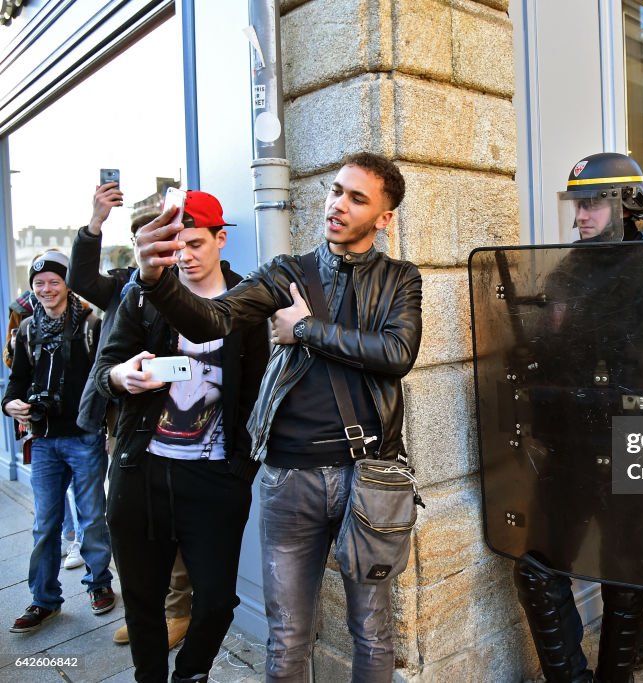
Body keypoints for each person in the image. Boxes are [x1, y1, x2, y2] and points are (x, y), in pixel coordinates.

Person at [129, 152, 421, 682]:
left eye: (357, 198)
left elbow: (398, 353)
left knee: (373, 632)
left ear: (384, 217)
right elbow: (211, 320)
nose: (337, 204)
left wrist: (306, 330)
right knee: (287, 635)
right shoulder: (288, 272)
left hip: (369, 476)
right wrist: (155, 279)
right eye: (336, 190)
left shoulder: (401, 278)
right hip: (289, 476)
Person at [509, 152, 643, 682]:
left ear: (626, 205)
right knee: (539, 570)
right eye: (577, 204)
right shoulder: (568, 265)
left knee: (626, 574)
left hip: (635, 441)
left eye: (592, 203)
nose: (580, 216)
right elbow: (553, 348)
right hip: (571, 442)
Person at [92, 190, 269, 683]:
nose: (185, 256)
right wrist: (121, 378)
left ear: (220, 239)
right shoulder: (142, 295)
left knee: (215, 602)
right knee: (143, 600)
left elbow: (254, 394)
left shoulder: (245, 303)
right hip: (140, 470)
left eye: (194, 243)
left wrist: (239, 470)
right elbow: (104, 369)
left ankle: (191, 674)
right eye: (175, 247)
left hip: (213, 477)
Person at [68, 180, 196, 649]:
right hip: (125, 422)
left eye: (165, 239)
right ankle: (144, 606)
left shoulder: (195, 284)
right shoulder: (126, 286)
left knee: (174, 519)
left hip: (181, 423)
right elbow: (81, 281)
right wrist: (95, 222)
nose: (157, 250)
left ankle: (176, 610)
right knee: (128, 517)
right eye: (146, 241)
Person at [2, 250, 116, 632]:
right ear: (32, 289)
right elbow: (17, 382)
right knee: (45, 524)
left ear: (67, 283)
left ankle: (99, 584)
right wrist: (9, 404)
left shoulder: (90, 324)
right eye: (39, 283)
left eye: (53, 281)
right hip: (45, 439)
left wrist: (102, 425)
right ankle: (44, 600)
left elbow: (104, 378)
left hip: (83, 437)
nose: (46, 288)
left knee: (92, 519)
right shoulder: (29, 330)